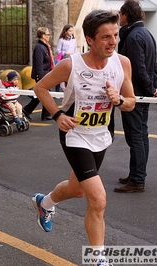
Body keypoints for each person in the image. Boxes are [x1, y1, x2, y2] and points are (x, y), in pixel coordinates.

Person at [31, 10, 135, 264]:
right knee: (98, 199)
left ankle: (45, 203)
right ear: (89, 39)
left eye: (115, 36)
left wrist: (118, 100)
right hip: (74, 135)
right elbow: (40, 87)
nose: (113, 42)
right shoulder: (71, 65)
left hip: (101, 136)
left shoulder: (122, 63)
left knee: (77, 191)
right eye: (105, 37)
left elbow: (131, 102)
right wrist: (57, 115)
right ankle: (99, 259)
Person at [114, 0, 157, 193]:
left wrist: (152, 90)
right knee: (141, 135)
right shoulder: (147, 33)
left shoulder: (133, 37)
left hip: (135, 95)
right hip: (143, 94)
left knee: (136, 137)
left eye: (120, 13)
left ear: (126, 15)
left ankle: (137, 179)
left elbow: (139, 69)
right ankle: (135, 173)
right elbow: (154, 67)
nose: (118, 16)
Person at [22, 27, 53, 121]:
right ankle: (45, 114)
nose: (49, 36)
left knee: (41, 95)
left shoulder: (45, 46)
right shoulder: (39, 48)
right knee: (44, 94)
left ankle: (27, 110)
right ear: (43, 36)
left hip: (47, 73)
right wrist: (41, 78)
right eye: (47, 34)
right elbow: (39, 64)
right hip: (42, 74)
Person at [55, 24, 77, 91]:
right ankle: (58, 90)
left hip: (71, 60)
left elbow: (75, 49)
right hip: (63, 60)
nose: (71, 32)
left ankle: (68, 89)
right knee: (61, 75)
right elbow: (58, 51)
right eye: (70, 31)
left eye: (72, 31)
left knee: (70, 75)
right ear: (65, 31)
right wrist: (65, 53)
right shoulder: (61, 40)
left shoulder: (74, 40)